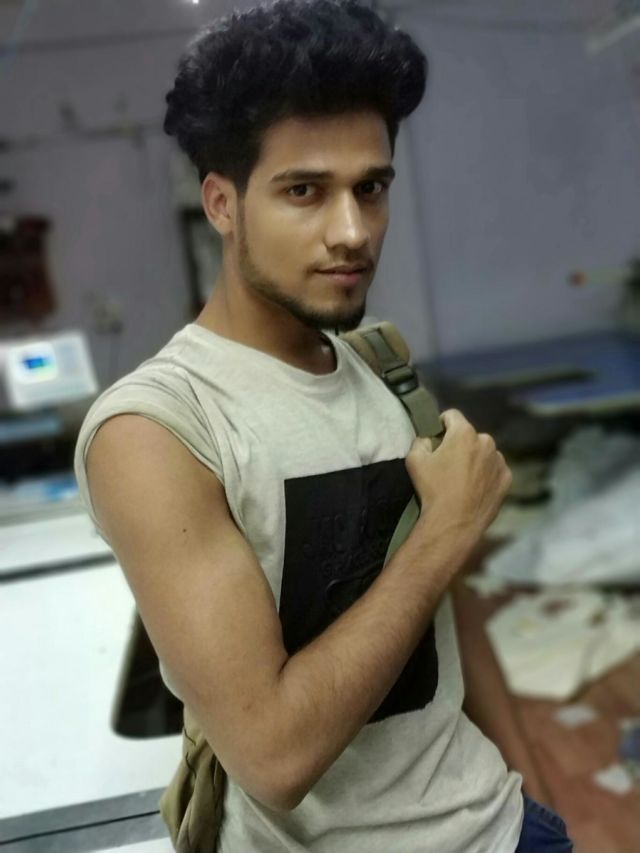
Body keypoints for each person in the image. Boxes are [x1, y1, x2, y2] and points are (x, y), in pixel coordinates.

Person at [74, 1, 573, 849]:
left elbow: (444, 636)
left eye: (370, 189)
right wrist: (446, 532)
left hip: (502, 826)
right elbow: (273, 755)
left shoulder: (383, 368)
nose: (352, 232)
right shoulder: (156, 428)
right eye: (304, 191)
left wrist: (525, 793)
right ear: (222, 203)